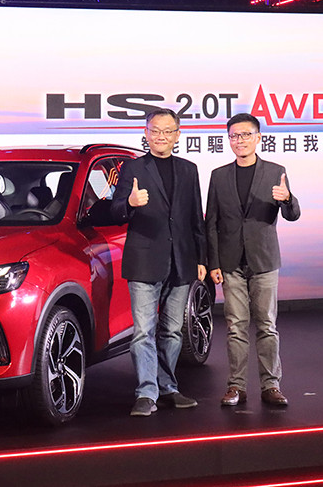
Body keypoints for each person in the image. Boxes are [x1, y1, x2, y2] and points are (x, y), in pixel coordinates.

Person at [111, 107, 207, 417]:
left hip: (181, 261)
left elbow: (196, 218)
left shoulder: (189, 169)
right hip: (144, 261)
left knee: (173, 332)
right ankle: (146, 392)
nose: (161, 136)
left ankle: (168, 387)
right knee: (143, 332)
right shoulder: (132, 168)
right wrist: (129, 203)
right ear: (146, 133)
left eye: (167, 131)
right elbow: (113, 211)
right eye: (155, 131)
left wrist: (201, 258)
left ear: (178, 135)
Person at [205, 113, 301, 407]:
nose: (240, 140)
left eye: (246, 134)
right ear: (228, 140)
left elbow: (292, 215)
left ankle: (271, 385)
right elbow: (211, 222)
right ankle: (236, 386)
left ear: (258, 137)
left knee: (266, 325)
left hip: (264, 260)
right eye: (234, 136)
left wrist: (287, 199)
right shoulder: (219, 175)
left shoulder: (275, 172)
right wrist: (213, 263)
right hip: (230, 262)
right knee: (236, 327)